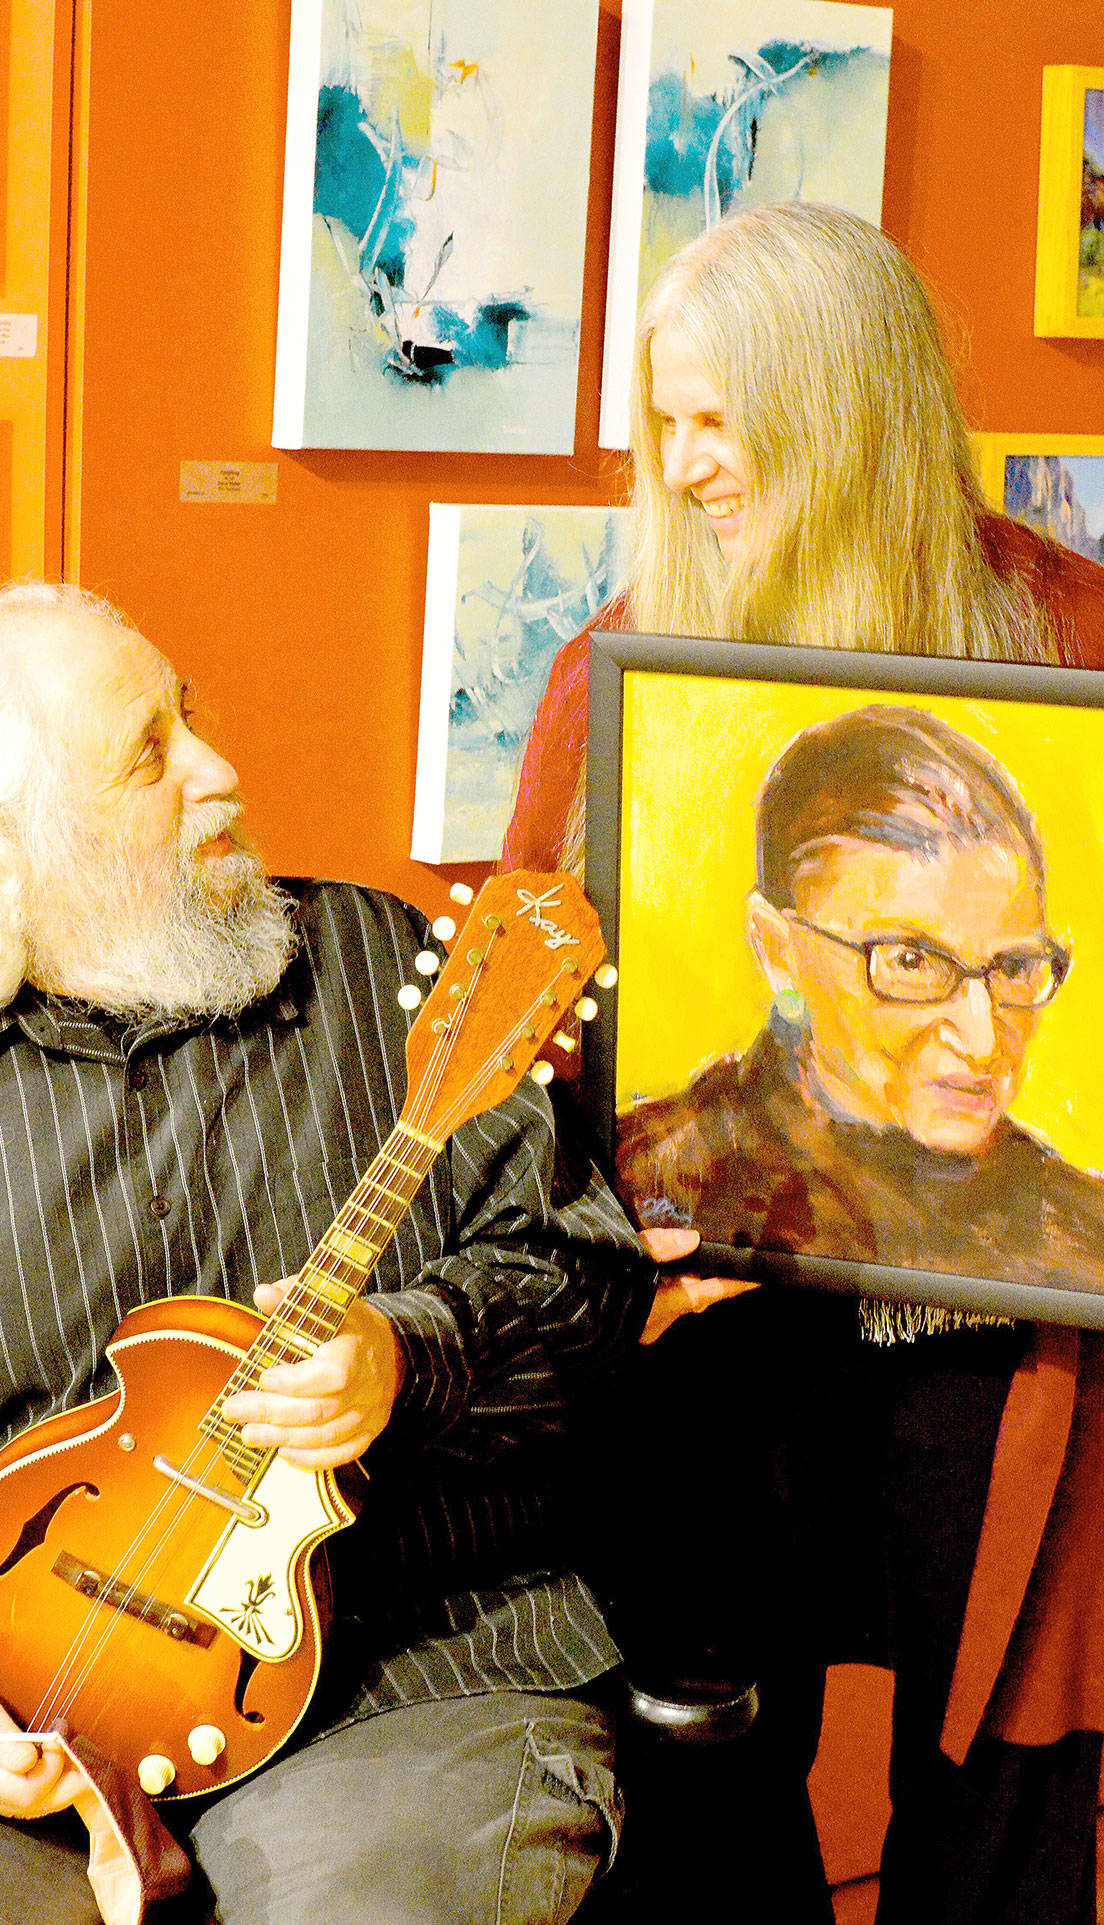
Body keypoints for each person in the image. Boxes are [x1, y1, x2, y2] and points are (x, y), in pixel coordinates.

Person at [0, 581, 656, 1925]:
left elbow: (590, 1277)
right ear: (16, 843)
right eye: (148, 751)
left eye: (189, 715)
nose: (220, 769)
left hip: (403, 1680)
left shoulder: (385, 970)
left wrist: (408, 1355)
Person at [502, 203, 1104, 1925]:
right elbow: (533, 1031)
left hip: (1011, 1349)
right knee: (698, 1761)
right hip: (720, 1334)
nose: (687, 465)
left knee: (999, 1779)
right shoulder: (610, 665)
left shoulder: (1069, 635)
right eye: (665, 419)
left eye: (725, 419)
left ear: (850, 413)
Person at [620, 702, 1104, 1317]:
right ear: (779, 951)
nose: (983, 1040)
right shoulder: (643, 1193)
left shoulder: (1084, 1241)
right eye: (911, 962)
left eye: (1012, 968)